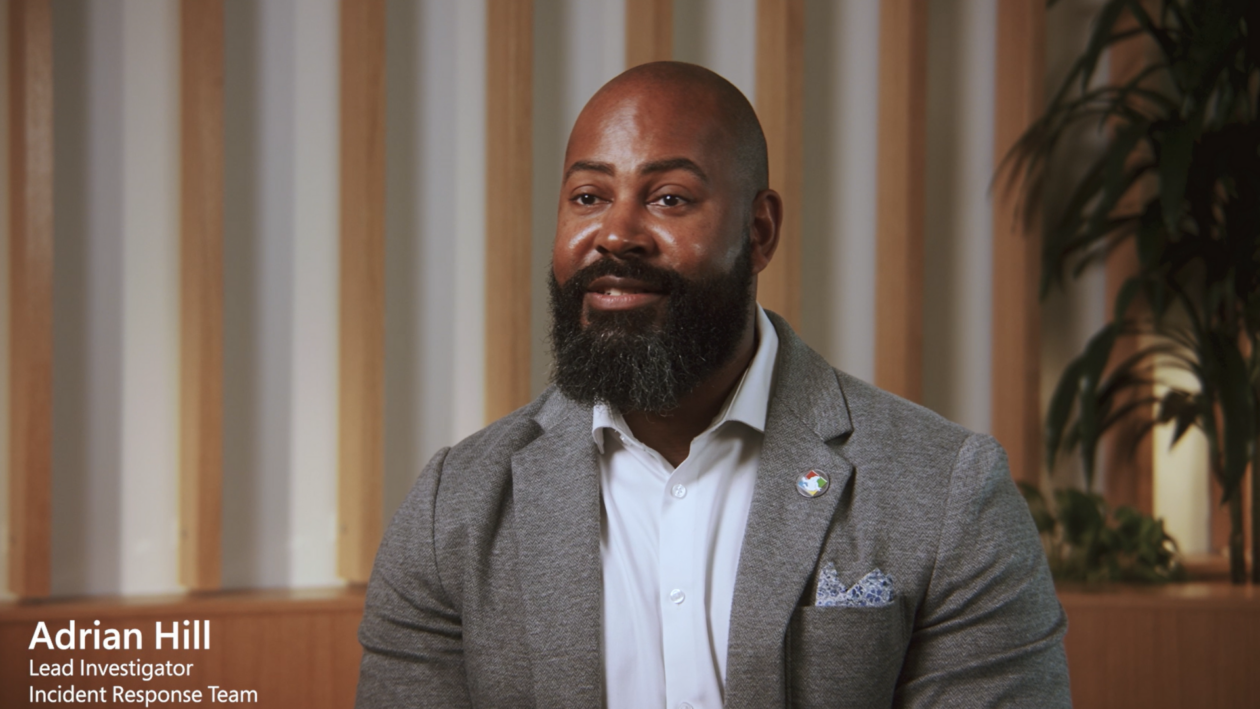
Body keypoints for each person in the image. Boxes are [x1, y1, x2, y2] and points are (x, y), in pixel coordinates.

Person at [355, 61, 1070, 709]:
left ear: (758, 232)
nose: (616, 233)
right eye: (587, 195)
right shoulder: (454, 507)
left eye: (668, 198)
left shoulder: (946, 491)